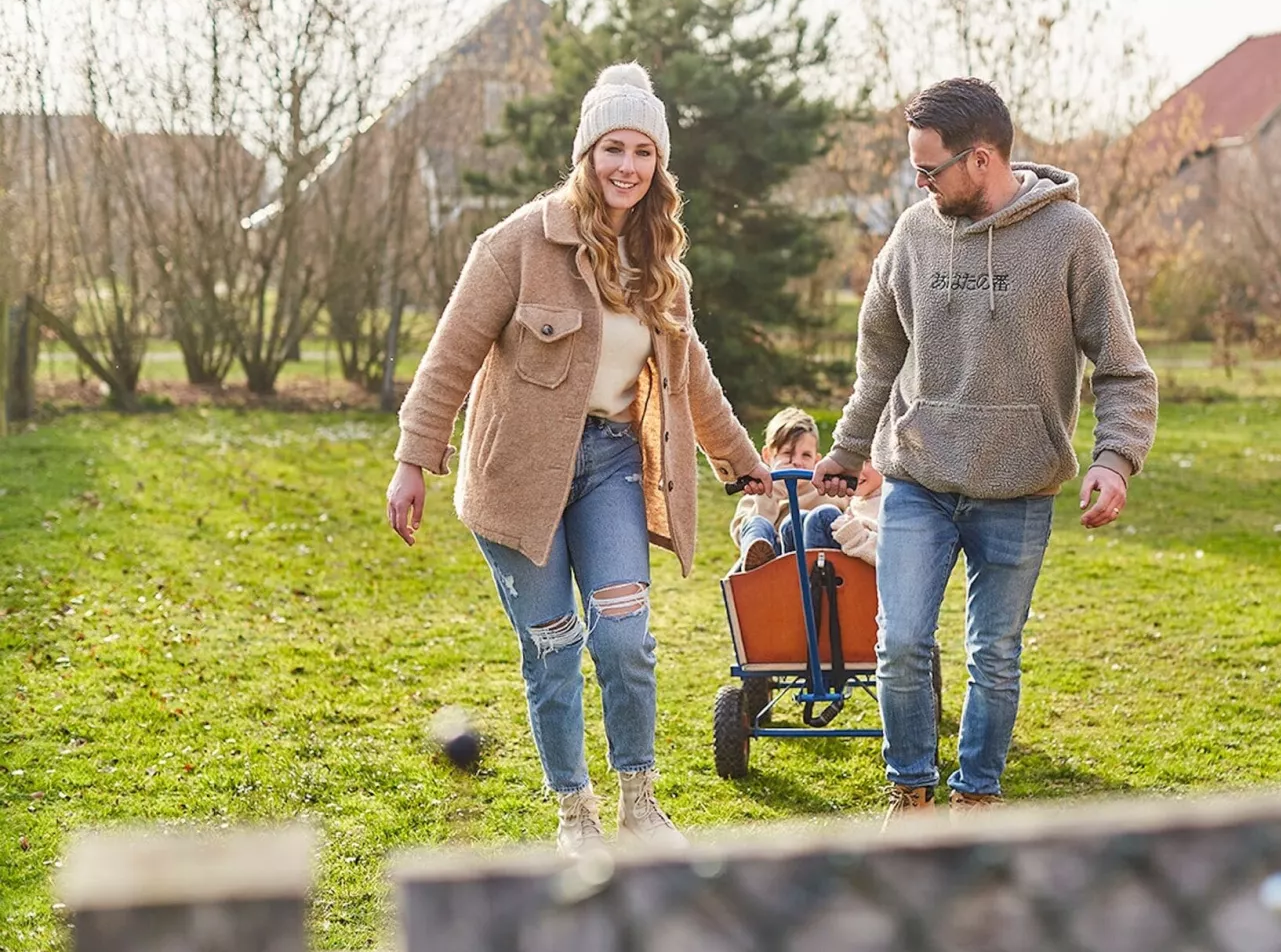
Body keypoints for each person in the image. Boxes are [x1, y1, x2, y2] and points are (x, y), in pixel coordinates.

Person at [385, 62, 770, 857]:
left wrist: (740, 460)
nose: (627, 166)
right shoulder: (521, 243)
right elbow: (450, 355)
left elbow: (690, 373)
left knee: (624, 638)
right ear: (586, 153)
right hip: (515, 477)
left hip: (610, 465)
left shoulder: (661, 263)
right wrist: (413, 460)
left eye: (642, 152)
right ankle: (576, 813)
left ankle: (639, 802)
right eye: (611, 148)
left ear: (659, 163)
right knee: (554, 646)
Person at [813, 77, 1158, 823]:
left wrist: (1113, 458)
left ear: (980, 159)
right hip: (920, 479)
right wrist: (845, 449)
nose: (919, 182)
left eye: (929, 169)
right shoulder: (913, 235)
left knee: (993, 655)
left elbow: (1124, 368)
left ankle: (977, 797)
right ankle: (911, 793)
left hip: (1019, 486)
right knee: (902, 643)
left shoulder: (1072, 238)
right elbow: (879, 358)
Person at [731, 408, 883, 569]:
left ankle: (811, 579)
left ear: (817, 460)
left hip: (810, 560)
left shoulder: (828, 492)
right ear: (768, 456)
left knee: (802, 519)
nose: (797, 462)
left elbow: (849, 513)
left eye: (806, 455)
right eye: (787, 453)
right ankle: (757, 570)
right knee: (757, 523)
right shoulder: (754, 497)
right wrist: (768, 494)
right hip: (776, 557)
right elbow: (740, 535)